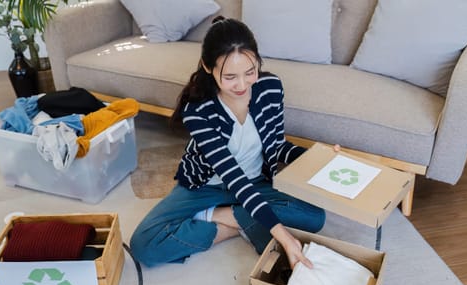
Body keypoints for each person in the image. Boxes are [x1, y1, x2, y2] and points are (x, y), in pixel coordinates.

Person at [130, 17, 332, 269]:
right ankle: (230, 217)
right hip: (206, 186)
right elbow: (233, 177)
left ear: (258, 61)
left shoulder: (271, 88)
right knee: (144, 245)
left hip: (255, 182)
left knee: (316, 215)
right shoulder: (198, 110)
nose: (242, 85)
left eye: (250, 72)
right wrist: (284, 236)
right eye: (229, 77)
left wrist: (320, 159)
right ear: (208, 67)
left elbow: (278, 146)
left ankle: (223, 218)